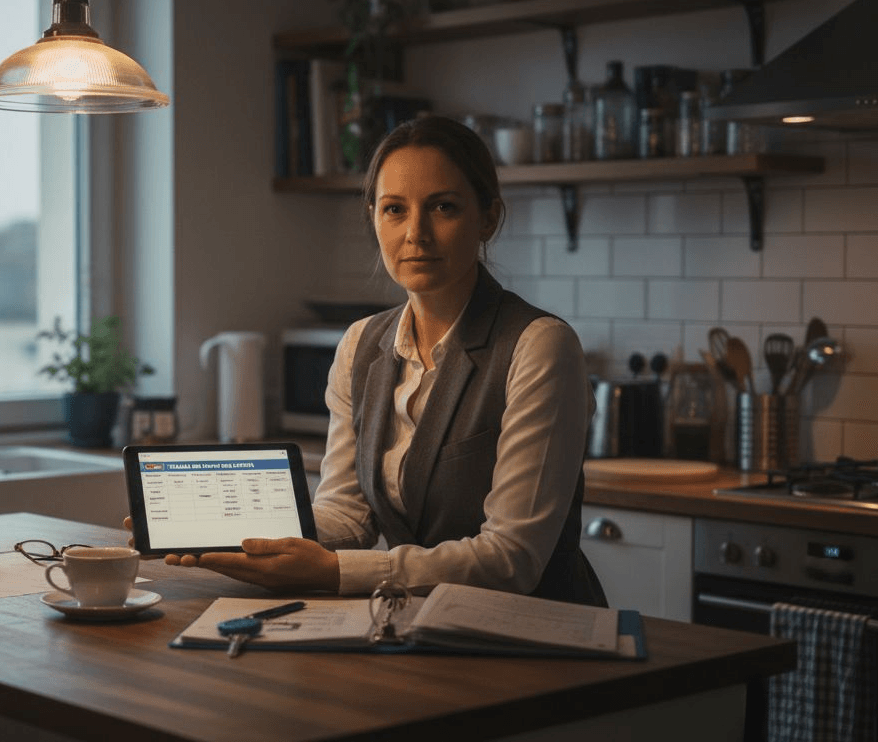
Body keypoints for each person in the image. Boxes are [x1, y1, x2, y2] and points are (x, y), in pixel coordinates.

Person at [162, 115, 606, 606]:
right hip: (416, 630)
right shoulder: (361, 345)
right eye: (394, 209)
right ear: (373, 217)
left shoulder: (538, 345)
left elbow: (512, 558)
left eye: (444, 206)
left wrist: (332, 572)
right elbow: (347, 515)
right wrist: (239, 532)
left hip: (536, 639)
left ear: (488, 219)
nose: (416, 233)